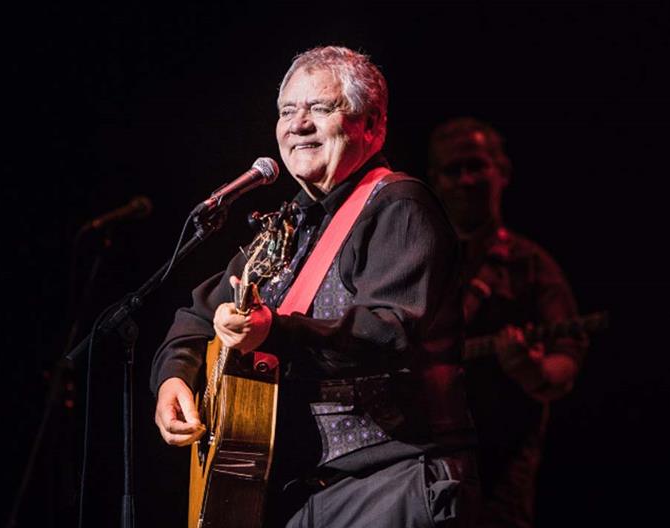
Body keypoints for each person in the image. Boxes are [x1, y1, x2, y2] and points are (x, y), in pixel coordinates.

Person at [152, 47, 479, 527]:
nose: (297, 124)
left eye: (320, 109)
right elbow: (197, 317)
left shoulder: (399, 206)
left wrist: (274, 333)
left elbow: (390, 332)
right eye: (287, 111)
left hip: (389, 485)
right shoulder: (285, 226)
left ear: (372, 125)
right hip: (297, 495)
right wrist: (173, 378)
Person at [428, 118, 588, 528]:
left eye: (476, 166)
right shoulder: (421, 259)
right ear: (435, 180)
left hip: (498, 465)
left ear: (502, 172)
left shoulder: (532, 265)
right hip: (421, 454)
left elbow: (566, 363)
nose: (465, 180)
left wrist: (531, 369)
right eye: (452, 170)